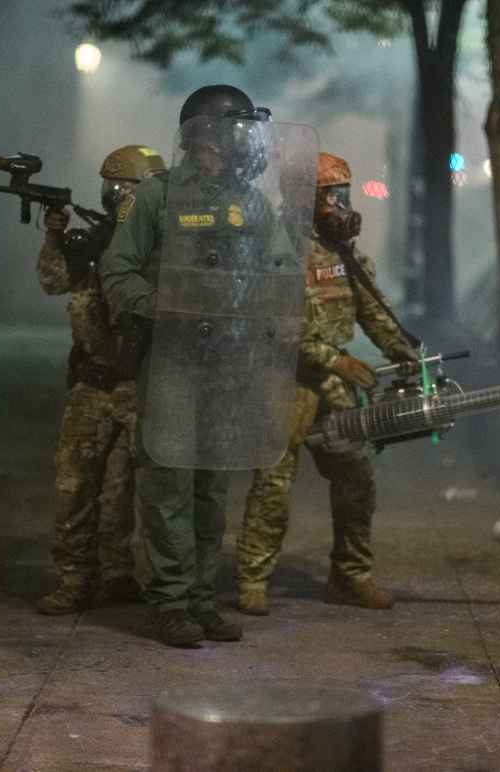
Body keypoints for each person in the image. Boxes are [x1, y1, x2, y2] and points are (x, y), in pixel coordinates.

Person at [99, 84, 298, 647]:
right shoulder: (158, 197)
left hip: (228, 364)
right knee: (168, 481)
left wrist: (268, 309)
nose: (245, 142)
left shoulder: (251, 201)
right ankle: (169, 601)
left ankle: (202, 600)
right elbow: (118, 272)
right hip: (173, 360)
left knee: (211, 483)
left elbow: (282, 268)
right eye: (236, 130)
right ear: (207, 133)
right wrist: (163, 309)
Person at [236, 152, 419, 616]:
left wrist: (407, 354)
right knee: (273, 483)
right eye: (330, 196)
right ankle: (252, 578)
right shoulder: (276, 249)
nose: (341, 205)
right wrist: (334, 358)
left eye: (343, 194)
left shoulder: (344, 255)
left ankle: (351, 575)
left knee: (357, 474)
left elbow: (373, 312)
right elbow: (275, 324)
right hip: (284, 381)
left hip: (333, 386)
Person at [35, 144, 166, 615]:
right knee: (76, 487)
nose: (122, 197)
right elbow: (53, 281)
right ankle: (75, 578)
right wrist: (54, 238)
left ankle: (117, 574)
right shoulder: (95, 241)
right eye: (120, 189)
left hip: (137, 382)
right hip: (93, 384)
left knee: (123, 490)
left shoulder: (159, 246)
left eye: (131, 189)